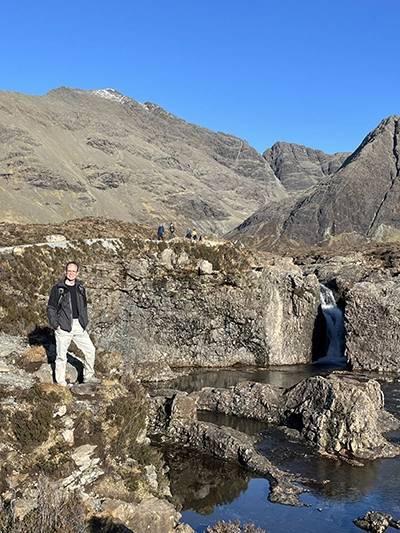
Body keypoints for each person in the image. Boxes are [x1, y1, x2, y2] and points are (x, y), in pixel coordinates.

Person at [47, 262, 101, 387]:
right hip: (63, 326)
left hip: (78, 325)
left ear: (77, 273)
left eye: (73, 271)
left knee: (90, 350)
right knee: (61, 356)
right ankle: (61, 383)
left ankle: (88, 376)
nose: (71, 273)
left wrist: (84, 321)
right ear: (65, 272)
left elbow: (84, 306)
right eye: (69, 271)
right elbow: (51, 308)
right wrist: (55, 324)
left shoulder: (80, 288)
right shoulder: (57, 289)